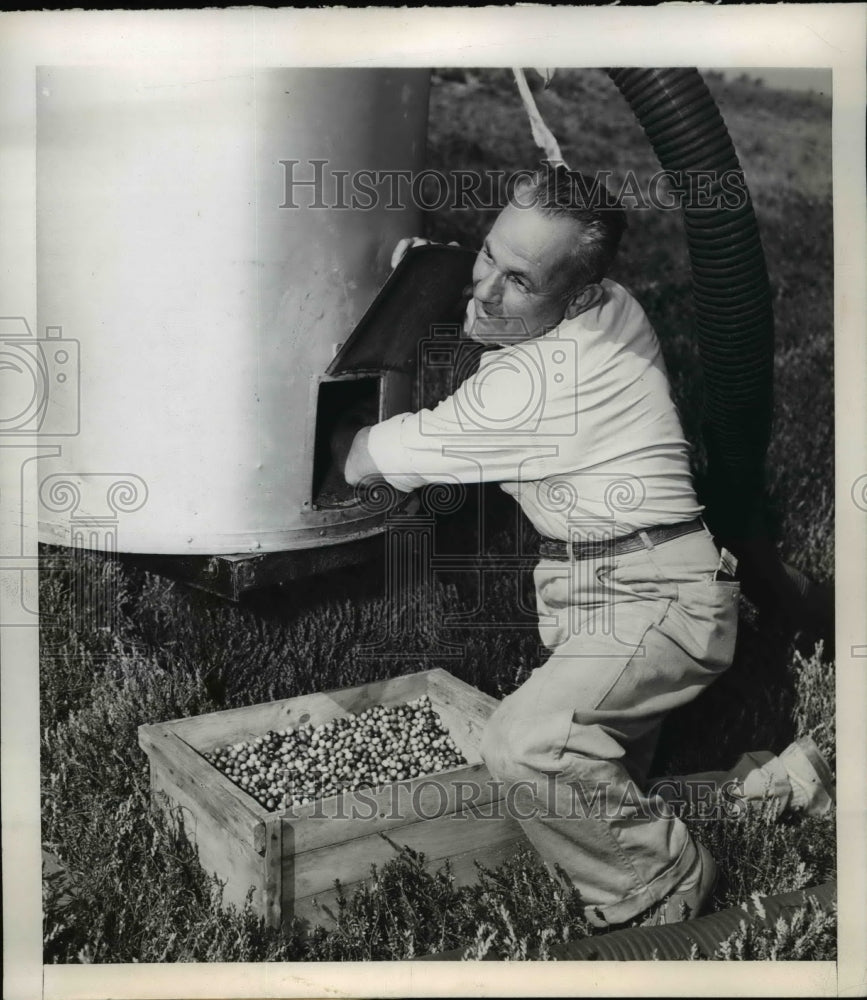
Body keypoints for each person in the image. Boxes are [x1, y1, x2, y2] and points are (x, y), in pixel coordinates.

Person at [338, 165, 833, 927]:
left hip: (657, 602)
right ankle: (778, 784)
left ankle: (660, 896)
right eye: (487, 255)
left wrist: (324, 428)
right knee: (596, 799)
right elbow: (507, 293)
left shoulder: (535, 389)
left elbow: (366, 458)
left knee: (530, 748)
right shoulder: (615, 305)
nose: (485, 290)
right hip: (598, 590)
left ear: (577, 295)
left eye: (519, 280)